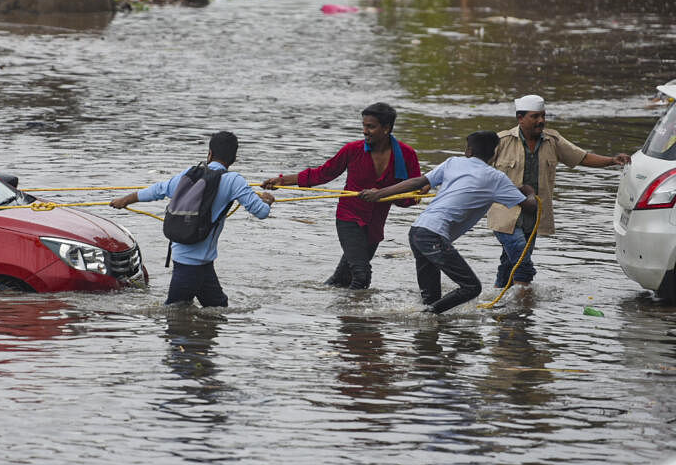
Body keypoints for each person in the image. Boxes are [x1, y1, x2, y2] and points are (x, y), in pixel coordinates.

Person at [359, 131, 537, 314]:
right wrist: (529, 191)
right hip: (433, 237)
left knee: (431, 300)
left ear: (468, 151)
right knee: (472, 288)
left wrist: (378, 194)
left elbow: (417, 181)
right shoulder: (497, 178)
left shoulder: (453, 162)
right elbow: (529, 207)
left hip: (417, 231)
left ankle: (426, 326)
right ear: (494, 154)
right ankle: (425, 317)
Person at [261, 102, 422, 289]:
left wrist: (388, 195)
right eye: (364, 125)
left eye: (371, 126)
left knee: (341, 280)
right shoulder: (352, 150)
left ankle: (318, 300)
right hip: (349, 219)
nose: (365, 131)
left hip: (375, 224)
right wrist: (283, 181)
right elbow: (322, 174)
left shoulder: (406, 154)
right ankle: (356, 317)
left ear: (386, 128)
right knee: (361, 276)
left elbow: (412, 194)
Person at [111, 131, 275, 307]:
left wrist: (125, 200)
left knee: (217, 310)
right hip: (191, 266)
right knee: (176, 318)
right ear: (234, 159)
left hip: (196, 263)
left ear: (210, 153)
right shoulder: (234, 181)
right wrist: (267, 201)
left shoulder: (190, 174)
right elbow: (261, 212)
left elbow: (158, 190)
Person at [487, 94, 630, 288]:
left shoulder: (553, 141)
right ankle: (524, 306)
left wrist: (612, 161)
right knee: (522, 261)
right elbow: (474, 166)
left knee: (509, 261)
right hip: (504, 214)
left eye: (543, 116)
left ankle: (499, 299)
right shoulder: (501, 141)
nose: (541, 121)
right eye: (535, 116)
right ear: (520, 118)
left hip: (533, 214)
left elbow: (582, 157)